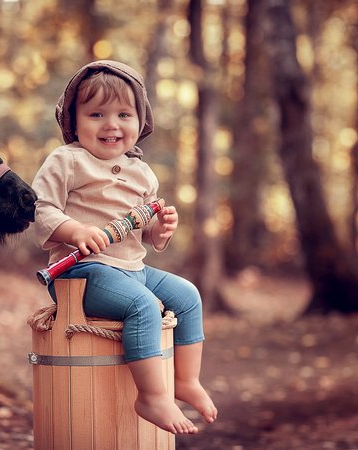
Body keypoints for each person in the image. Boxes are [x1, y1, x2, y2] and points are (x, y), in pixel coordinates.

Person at [32, 60, 217, 434]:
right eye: (96, 114)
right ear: (73, 120)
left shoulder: (141, 172)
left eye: (123, 114)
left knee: (187, 295)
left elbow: (144, 233)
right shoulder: (66, 160)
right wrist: (73, 229)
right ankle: (151, 396)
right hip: (80, 271)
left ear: (140, 120)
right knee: (142, 304)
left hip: (133, 268)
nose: (111, 124)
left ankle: (186, 380)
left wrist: (160, 230)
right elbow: (40, 208)